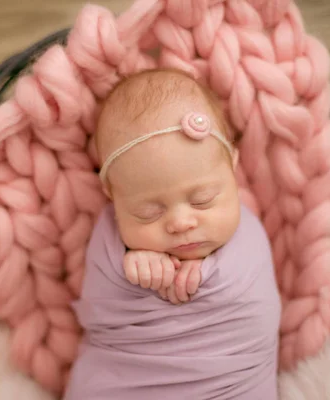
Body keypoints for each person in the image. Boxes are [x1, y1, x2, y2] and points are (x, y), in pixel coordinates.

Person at [62, 68, 282, 399]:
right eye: (149, 212)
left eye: (202, 200)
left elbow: (257, 304)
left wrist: (214, 273)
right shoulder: (107, 236)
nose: (181, 223)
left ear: (232, 166)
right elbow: (99, 305)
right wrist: (129, 271)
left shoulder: (248, 236)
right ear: (112, 194)